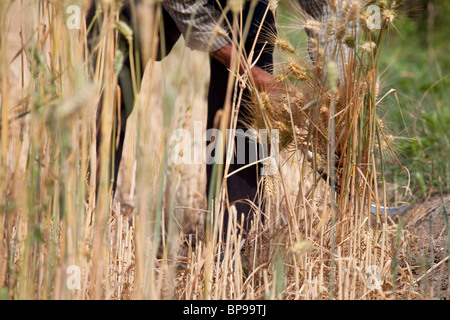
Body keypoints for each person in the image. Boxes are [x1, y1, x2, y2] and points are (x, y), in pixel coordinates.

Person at [88, 0, 333, 238]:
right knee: (107, 88)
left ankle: (237, 242)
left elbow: (325, 10)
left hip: (244, 7)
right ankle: (81, 216)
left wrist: (332, 100)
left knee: (248, 114)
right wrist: (247, 70)